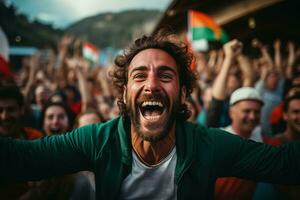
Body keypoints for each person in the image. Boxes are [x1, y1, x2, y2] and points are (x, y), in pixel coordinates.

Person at [1, 33, 300, 200]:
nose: (152, 84)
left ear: (183, 94)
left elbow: (286, 164)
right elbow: (20, 160)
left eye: (165, 75)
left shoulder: (208, 145)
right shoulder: (97, 140)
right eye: (139, 75)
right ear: (124, 93)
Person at [214, 87, 265, 200]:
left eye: (257, 112)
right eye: (246, 111)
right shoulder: (217, 140)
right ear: (232, 112)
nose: (252, 117)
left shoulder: (264, 140)